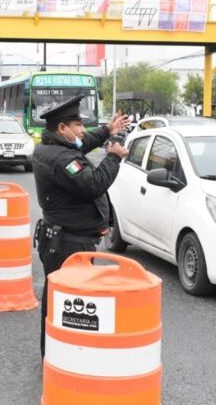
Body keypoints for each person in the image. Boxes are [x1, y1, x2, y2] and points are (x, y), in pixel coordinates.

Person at [32, 95, 130, 358]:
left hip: (63, 240)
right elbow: (93, 184)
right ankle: (61, 358)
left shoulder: (53, 147)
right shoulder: (63, 159)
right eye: (77, 125)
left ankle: (58, 354)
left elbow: (83, 143)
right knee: (68, 303)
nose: (82, 131)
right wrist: (114, 156)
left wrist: (108, 130)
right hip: (69, 245)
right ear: (62, 129)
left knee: (60, 300)